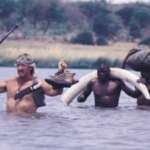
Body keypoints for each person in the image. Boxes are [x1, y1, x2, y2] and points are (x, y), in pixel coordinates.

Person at [0, 53, 73, 113]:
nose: (20, 68)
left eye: (23, 65)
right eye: (18, 65)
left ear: (30, 67)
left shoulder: (37, 82)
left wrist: (61, 71)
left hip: (28, 123)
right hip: (10, 125)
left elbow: (56, 92)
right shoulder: (9, 81)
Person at [77, 61, 141, 108]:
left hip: (113, 113)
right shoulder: (93, 83)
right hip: (97, 113)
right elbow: (83, 96)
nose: (102, 74)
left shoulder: (117, 83)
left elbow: (133, 94)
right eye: (99, 72)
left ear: (109, 71)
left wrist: (141, 86)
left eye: (104, 71)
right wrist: (81, 98)